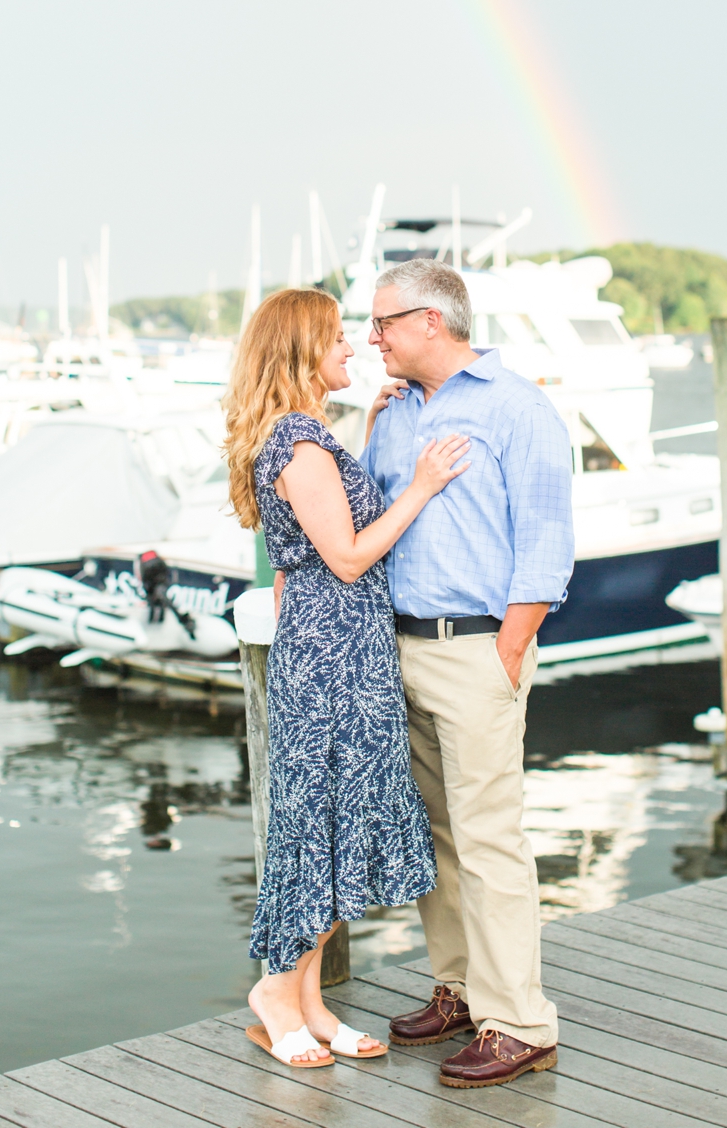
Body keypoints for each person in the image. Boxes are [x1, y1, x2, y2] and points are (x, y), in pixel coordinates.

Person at [224, 287, 470, 1069]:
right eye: (336, 338)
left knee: (330, 824)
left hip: (338, 653)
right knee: (318, 827)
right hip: (335, 663)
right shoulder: (299, 444)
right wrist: (422, 487)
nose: (353, 349)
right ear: (301, 352)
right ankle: (275, 991)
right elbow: (351, 555)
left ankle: (308, 1000)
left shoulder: (309, 440)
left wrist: (361, 437)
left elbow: (315, 539)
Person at [361, 259, 573, 1089]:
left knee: (489, 841)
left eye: (382, 323)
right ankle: (458, 988)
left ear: (432, 323)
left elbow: (547, 541)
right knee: (439, 836)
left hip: (477, 649)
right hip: (402, 647)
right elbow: (373, 519)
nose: (371, 336)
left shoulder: (517, 407)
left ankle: (519, 1022)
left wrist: (507, 650)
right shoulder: (394, 411)